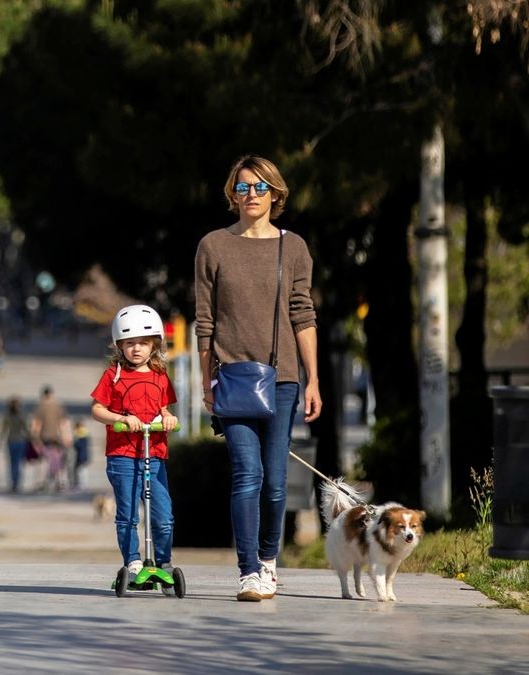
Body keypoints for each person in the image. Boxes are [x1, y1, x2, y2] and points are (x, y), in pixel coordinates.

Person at [195, 154, 322, 602]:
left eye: (260, 187)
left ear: (276, 194)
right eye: (243, 187)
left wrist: (313, 380)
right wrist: (204, 379)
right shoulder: (213, 246)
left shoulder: (294, 248)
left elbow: (303, 315)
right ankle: (249, 570)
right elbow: (205, 321)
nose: (251, 195)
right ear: (232, 193)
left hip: (284, 377)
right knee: (246, 474)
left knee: (275, 480)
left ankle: (269, 560)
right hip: (231, 377)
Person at [89, 305, 179, 582]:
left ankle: (163, 562)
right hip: (123, 455)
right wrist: (121, 419)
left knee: (163, 516)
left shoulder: (160, 375)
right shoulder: (113, 375)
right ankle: (133, 562)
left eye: (143, 343)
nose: (136, 349)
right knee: (128, 515)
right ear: (120, 345)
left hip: (154, 453)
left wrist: (168, 419)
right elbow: (97, 409)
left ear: (154, 344)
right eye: (130, 343)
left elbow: (163, 408)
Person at [30, 385, 68, 492]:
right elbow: (63, 423)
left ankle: (41, 483)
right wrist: (66, 436)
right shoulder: (58, 406)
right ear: (51, 394)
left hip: (44, 437)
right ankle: (60, 482)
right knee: (58, 460)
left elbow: (36, 424)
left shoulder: (40, 407)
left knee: (43, 461)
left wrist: (34, 438)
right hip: (57, 437)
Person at [0, 398, 31, 493]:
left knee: (12, 463)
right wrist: (32, 439)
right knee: (18, 463)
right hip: (21, 441)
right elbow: (26, 429)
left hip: (11, 441)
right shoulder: (22, 415)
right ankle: (17, 482)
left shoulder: (7, 416)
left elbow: (2, 429)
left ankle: (13, 483)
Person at [70, 416, 91, 490]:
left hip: (82, 456)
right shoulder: (85, 432)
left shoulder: (81, 433)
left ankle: (82, 484)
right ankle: (81, 483)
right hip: (83, 455)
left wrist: (74, 443)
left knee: (81, 471)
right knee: (82, 470)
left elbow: (79, 445)